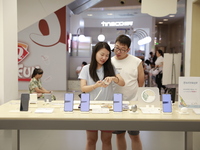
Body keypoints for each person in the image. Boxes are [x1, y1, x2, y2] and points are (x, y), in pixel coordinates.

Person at [78, 42, 125, 150]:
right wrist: (95, 86)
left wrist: (113, 78)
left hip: (107, 108)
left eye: (107, 55)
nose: (104, 58)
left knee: (107, 140)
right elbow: (83, 88)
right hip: (90, 108)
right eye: (102, 54)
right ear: (95, 53)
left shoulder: (110, 68)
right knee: (91, 140)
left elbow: (122, 83)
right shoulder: (86, 68)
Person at [111, 35, 144, 150]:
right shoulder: (110, 62)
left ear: (128, 49)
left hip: (133, 103)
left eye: (122, 49)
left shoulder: (136, 62)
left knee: (134, 135)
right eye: (116, 48)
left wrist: (136, 98)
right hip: (116, 103)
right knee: (119, 135)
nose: (118, 51)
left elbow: (141, 81)